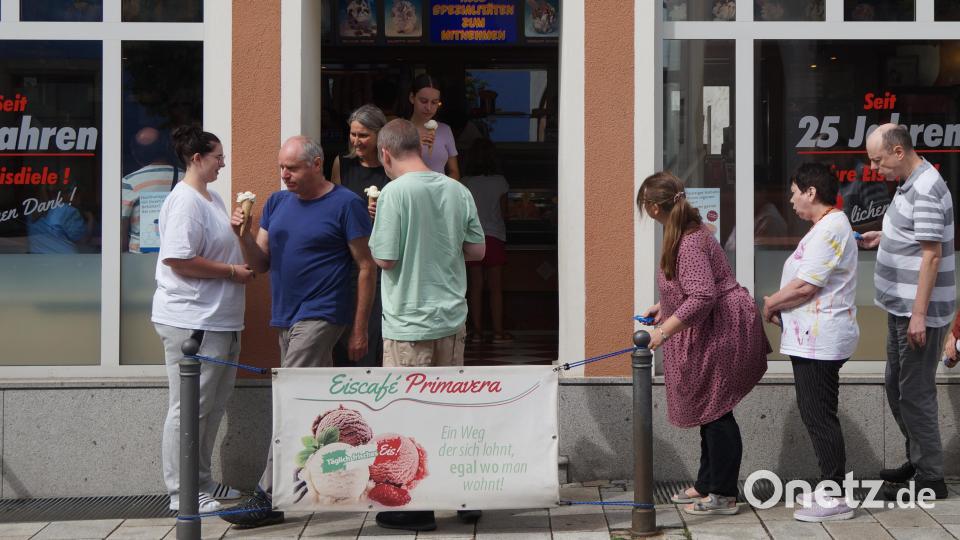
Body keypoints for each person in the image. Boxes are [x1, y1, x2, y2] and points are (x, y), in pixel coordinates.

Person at [221, 135, 376, 529]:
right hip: (285, 315)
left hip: (324, 313)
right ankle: (348, 475)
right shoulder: (275, 203)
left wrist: (359, 328)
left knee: (288, 398)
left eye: (291, 168)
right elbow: (260, 263)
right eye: (281, 168)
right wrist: (242, 235)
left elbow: (365, 266)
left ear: (317, 164)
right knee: (320, 405)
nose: (284, 175)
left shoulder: (346, 204)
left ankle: (269, 494)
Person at [369, 119, 485, 531]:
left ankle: (415, 509)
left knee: (408, 417)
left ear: (385, 153)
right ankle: (463, 497)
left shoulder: (393, 194)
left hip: (407, 322)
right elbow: (477, 250)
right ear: (420, 146)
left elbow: (385, 259)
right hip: (451, 317)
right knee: (450, 411)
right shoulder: (457, 189)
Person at [637, 171, 768, 516]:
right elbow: (691, 289)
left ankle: (723, 494)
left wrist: (662, 332)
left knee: (717, 412)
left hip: (719, 332)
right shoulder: (684, 232)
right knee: (712, 411)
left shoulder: (689, 241)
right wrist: (662, 307)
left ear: (652, 208)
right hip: (714, 328)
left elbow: (701, 296)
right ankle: (708, 483)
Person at [151, 126, 253, 514]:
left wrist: (233, 230)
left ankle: (202, 482)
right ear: (197, 158)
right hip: (193, 320)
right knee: (189, 407)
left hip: (219, 320)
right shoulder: (186, 202)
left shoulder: (209, 199)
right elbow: (178, 258)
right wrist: (230, 272)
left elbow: (203, 247)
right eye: (217, 156)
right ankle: (182, 492)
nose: (223, 162)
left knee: (211, 406)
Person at [858, 123, 955, 500]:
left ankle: (931, 476)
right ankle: (917, 458)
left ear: (899, 153)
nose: (874, 169)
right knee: (897, 387)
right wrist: (885, 237)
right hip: (900, 307)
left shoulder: (928, 188)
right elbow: (919, 239)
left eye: (878, 161)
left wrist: (918, 315)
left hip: (918, 313)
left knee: (913, 392)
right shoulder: (909, 183)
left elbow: (932, 256)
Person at [761, 163, 859, 522]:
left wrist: (772, 303)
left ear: (811, 192)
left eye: (794, 192)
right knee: (817, 412)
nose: (790, 200)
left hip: (821, 338)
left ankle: (833, 495)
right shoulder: (826, 227)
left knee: (818, 415)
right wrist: (779, 303)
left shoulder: (831, 227)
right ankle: (829, 488)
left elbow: (807, 286)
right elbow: (804, 281)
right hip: (813, 337)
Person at [330, 104, 390, 367]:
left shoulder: (391, 169)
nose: (356, 141)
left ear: (380, 135)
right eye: (353, 134)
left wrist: (383, 212)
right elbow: (334, 208)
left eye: (363, 135)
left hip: (383, 260)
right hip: (350, 260)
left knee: (376, 332)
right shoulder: (341, 164)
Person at [461, 138, 512, 344]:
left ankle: (477, 332)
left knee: (475, 287)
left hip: (472, 238)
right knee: (495, 288)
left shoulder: (465, 181)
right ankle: (499, 332)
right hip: (495, 236)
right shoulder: (500, 182)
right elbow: (505, 213)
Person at [121, 127, 182, 252]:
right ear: (166, 148)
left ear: (135, 153)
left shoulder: (129, 182)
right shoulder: (187, 178)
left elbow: (122, 227)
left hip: (139, 260)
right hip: (179, 256)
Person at [408, 74, 460, 179]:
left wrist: (439, 187)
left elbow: (455, 172)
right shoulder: (399, 129)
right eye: (423, 101)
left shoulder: (445, 130)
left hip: (440, 192)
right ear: (412, 98)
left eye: (434, 102)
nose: (428, 107)